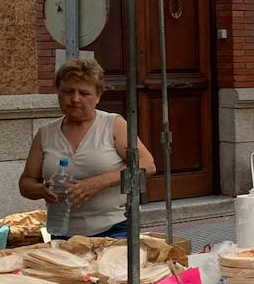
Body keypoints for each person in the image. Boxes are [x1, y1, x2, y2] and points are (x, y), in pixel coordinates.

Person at [18, 57, 156, 239]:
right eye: (68, 91)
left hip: (115, 229)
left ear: (98, 96)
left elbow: (148, 165)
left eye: (84, 93)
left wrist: (96, 183)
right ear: (58, 93)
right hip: (62, 231)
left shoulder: (113, 124)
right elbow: (26, 183)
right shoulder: (46, 133)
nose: (75, 99)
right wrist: (41, 190)